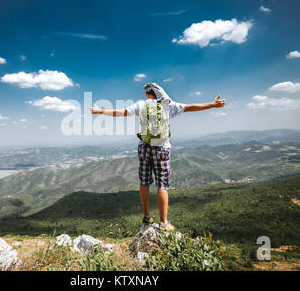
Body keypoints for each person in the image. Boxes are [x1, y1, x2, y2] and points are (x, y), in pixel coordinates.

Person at [90, 82, 226, 231]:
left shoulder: (141, 104)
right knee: (162, 186)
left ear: (148, 94)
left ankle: (147, 217)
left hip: (144, 148)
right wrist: (212, 104)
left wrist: (100, 111)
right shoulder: (169, 104)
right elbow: (191, 107)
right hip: (162, 149)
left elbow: (121, 112)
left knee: (144, 183)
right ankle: (164, 223)